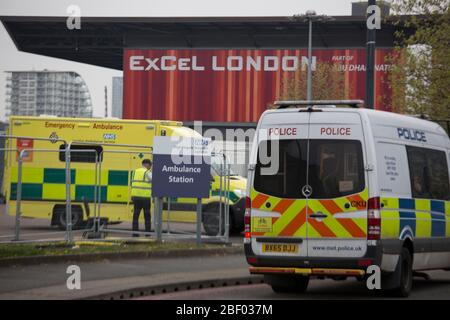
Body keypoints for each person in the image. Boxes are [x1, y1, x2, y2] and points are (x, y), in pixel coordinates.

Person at [131, 159, 152, 237]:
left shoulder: (135, 171)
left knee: (135, 216)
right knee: (147, 216)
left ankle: (135, 234)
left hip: (136, 197)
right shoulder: (147, 172)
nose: (150, 167)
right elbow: (153, 180)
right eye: (150, 166)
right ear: (147, 165)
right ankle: (148, 234)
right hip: (145, 198)